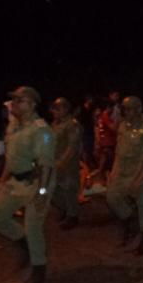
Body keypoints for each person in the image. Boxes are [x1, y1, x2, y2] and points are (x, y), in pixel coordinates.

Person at [0, 86, 55, 283]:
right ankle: (23, 242)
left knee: (33, 225)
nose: (14, 104)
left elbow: (46, 165)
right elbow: (10, 158)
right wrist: (1, 183)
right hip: (13, 181)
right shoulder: (14, 126)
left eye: (20, 100)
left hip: (38, 182)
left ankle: (38, 268)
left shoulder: (41, 130)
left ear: (32, 104)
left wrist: (42, 194)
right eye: (13, 100)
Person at [106, 96, 143, 255]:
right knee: (112, 197)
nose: (127, 112)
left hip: (141, 171)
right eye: (125, 109)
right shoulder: (123, 126)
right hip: (123, 171)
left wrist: (137, 180)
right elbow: (119, 152)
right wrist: (114, 173)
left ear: (138, 109)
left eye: (130, 109)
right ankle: (131, 222)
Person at [50, 97, 83, 230]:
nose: (54, 111)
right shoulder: (55, 124)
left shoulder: (72, 124)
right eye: (53, 109)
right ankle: (65, 209)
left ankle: (72, 215)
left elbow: (72, 146)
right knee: (51, 189)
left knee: (69, 189)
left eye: (57, 109)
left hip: (68, 164)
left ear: (65, 109)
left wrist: (62, 163)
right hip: (54, 161)